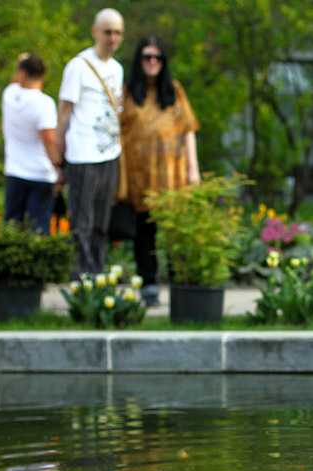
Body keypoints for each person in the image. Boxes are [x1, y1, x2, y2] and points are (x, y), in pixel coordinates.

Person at [120, 36, 200, 305]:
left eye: (157, 57)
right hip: (141, 175)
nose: (152, 62)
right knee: (145, 232)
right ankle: (149, 285)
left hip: (174, 176)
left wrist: (193, 170)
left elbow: (188, 130)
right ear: (138, 60)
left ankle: (181, 284)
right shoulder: (128, 91)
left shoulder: (174, 90)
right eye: (147, 57)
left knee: (176, 232)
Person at [54, 7, 125, 276]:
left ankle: (97, 274)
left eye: (118, 32)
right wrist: (57, 154)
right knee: (82, 221)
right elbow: (64, 111)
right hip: (83, 156)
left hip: (110, 154)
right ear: (95, 31)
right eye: (108, 32)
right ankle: (80, 278)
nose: (113, 38)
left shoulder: (117, 69)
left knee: (101, 222)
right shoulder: (78, 66)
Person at [2, 53, 61, 235]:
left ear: (22, 74)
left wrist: (19, 63)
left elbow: (15, 81)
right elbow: (49, 140)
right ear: (43, 76)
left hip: (14, 172)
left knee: (12, 228)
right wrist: (59, 169)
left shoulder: (10, 94)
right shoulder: (45, 103)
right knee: (38, 230)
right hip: (41, 174)